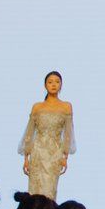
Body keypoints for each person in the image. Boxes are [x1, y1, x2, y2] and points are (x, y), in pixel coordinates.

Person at [19, 72, 75, 201]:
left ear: (61, 85)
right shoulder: (37, 107)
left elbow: (68, 133)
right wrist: (26, 159)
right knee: (34, 191)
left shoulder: (66, 106)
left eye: (57, 82)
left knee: (50, 190)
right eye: (50, 82)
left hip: (55, 153)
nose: (53, 85)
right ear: (45, 85)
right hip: (37, 153)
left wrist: (65, 157)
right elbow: (29, 133)